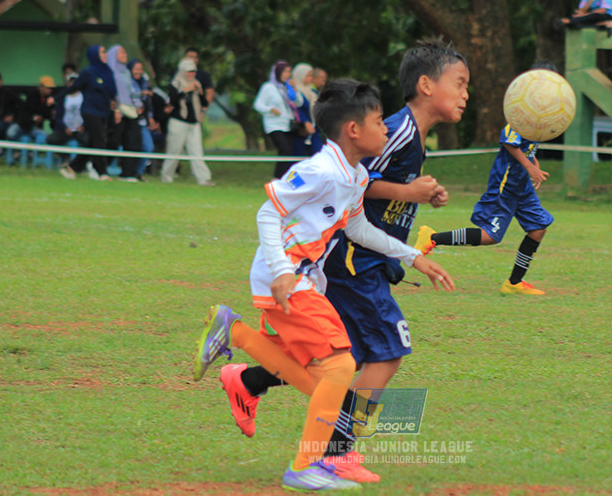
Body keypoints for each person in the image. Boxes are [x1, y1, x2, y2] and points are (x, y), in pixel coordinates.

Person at [217, 40, 469, 481]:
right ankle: (331, 453)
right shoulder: (386, 137)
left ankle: (248, 375)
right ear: (427, 85)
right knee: (383, 352)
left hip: (349, 264)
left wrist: (414, 247)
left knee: (332, 361)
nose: (467, 93)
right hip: (348, 266)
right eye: (460, 83)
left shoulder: (382, 149)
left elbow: (360, 211)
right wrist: (408, 193)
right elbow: (288, 206)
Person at [422, 66, 560, 296]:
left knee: (538, 228)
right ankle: (432, 238)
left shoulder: (540, 117)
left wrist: (533, 164)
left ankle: (514, 283)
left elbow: (526, 148)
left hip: (522, 185)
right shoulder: (520, 113)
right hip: (506, 184)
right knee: (490, 236)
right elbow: (509, 142)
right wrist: (528, 167)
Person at [59, 45, 117, 181]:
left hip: (103, 111)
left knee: (92, 141)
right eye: (103, 52)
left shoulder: (107, 71)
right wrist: (56, 98)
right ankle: (102, 172)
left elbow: (110, 91)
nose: (105, 54)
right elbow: (74, 87)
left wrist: (112, 102)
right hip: (90, 111)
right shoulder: (89, 72)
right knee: (99, 140)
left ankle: (71, 167)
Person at [160, 59, 214, 186]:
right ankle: (166, 177)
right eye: (189, 71)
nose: (191, 74)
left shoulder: (197, 84)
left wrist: (200, 92)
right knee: (174, 151)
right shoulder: (175, 84)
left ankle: (204, 179)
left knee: (197, 151)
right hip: (178, 122)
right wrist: (186, 90)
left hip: (194, 122)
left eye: (193, 71)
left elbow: (204, 103)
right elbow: (172, 101)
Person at [253, 60, 304, 178]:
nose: (287, 74)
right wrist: (270, 109)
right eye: (285, 71)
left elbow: (299, 103)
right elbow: (258, 104)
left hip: (288, 125)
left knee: (289, 152)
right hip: (274, 125)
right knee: (284, 149)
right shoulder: (268, 87)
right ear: (278, 72)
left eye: (289, 72)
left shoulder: (287, 87)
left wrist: (295, 89)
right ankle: (276, 178)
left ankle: (284, 178)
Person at [106, 45, 143, 182]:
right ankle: (98, 167)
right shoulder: (110, 71)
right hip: (116, 112)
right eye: (122, 52)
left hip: (129, 111)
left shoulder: (126, 72)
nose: (125, 54)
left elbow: (130, 92)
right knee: (113, 141)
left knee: (134, 141)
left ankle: (128, 173)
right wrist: (116, 109)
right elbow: (110, 93)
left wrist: (139, 103)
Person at [7, 76, 57, 165]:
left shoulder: (49, 98)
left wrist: (44, 112)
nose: (50, 90)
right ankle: (16, 152)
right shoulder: (32, 95)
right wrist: (40, 114)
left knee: (44, 137)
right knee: (11, 132)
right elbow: (33, 109)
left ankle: (32, 154)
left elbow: (49, 114)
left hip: (34, 128)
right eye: (48, 88)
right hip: (23, 125)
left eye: (51, 88)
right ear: (41, 87)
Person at [47, 71, 86, 165]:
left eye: (75, 81)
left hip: (80, 130)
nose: (72, 84)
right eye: (70, 81)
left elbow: (89, 114)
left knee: (88, 141)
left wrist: (83, 126)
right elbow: (58, 117)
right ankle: (66, 157)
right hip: (65, 130)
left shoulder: (84, 96)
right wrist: (65, 128)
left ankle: (80, 164)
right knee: (51, 139)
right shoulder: (63, 97)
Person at [128, 59, 157, 179]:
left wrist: (150, 117)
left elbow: (148, 103)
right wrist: (141, 94)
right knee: (131, 147)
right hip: (130, 120)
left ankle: (138, 172)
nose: (138, 71)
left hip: (142, 121)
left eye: (140, 69)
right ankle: (128, 172)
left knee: (148, 147)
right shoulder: (127, 82)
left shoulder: (144, 82)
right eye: (136, 69)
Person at [290, 62, 322, 156]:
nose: (310, 78)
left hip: (313, 127)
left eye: (311, 75)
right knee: (300, 155)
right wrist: (305, 122)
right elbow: (296, 108)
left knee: (317, 153)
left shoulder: (312, 91)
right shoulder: (294, 91)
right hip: (300, 129)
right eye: (307, 76)